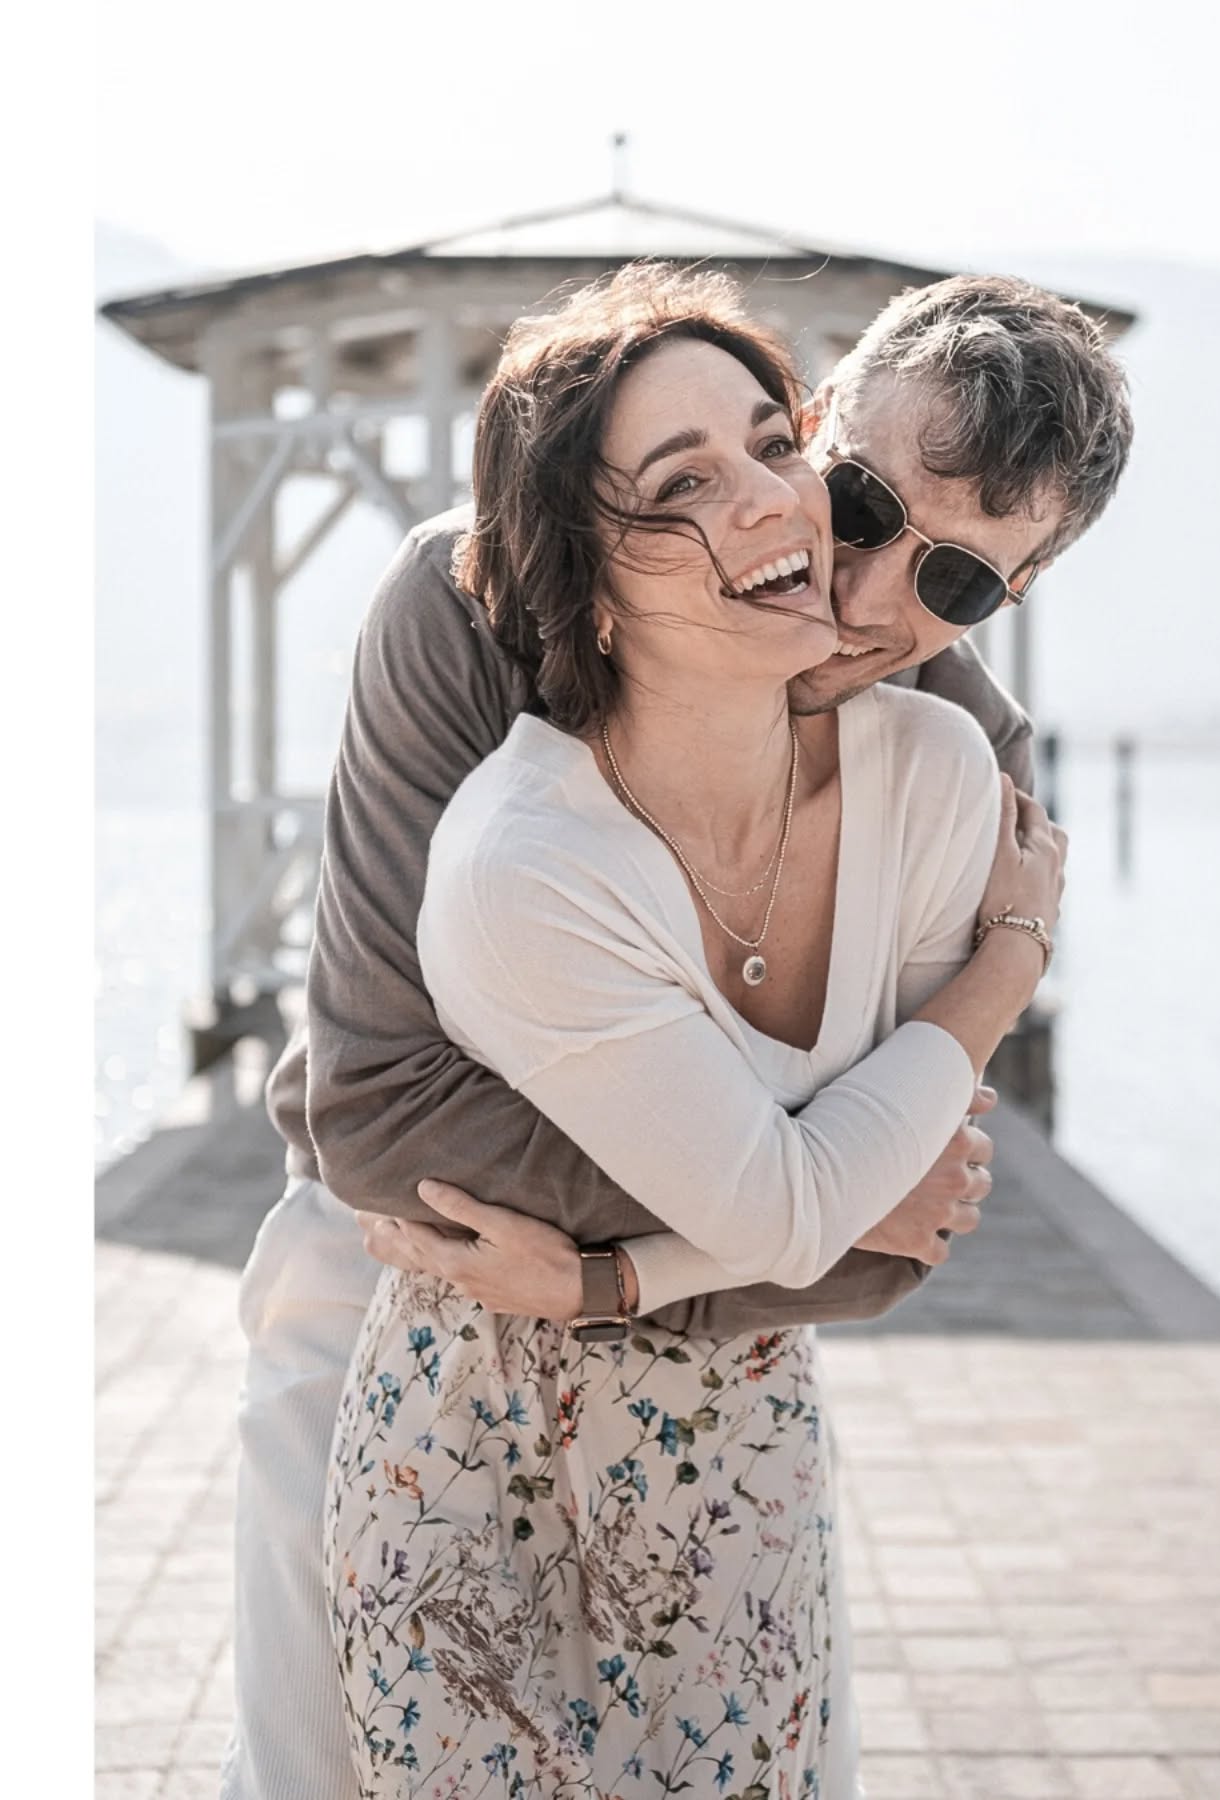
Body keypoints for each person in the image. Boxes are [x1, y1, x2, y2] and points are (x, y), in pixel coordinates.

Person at [220, 268, 1133, 1800]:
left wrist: (661, 1260)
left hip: (720, 1380)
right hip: (400, 1277)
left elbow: (903, 1233)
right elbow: (382, 1111)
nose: (866, 595)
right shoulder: (467, 604)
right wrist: (797, 1187)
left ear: (1017, 593)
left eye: (959, 583)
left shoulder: (962, 766)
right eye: (857, 502)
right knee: (314, 1769)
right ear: (813, 429)